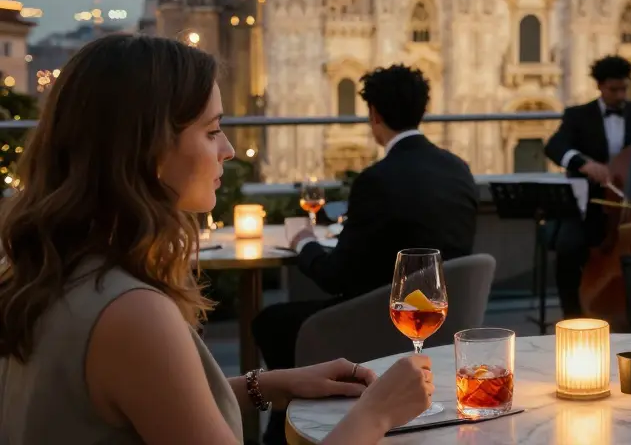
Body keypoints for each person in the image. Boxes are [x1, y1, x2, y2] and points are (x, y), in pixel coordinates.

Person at [0, 33, 434, 444]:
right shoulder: (130, 312)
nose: (227, 149)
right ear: (148, 150)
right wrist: (378, 412)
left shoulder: (53, 270)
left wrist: (268, 384)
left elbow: (144, 397)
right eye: (211, 131)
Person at [255, 64, 478, 441]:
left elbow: (337, 276)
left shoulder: (376, 179)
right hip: (445, 313)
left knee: (271, 321)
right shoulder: (458, 169)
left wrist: (304, 243)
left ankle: (284, 430)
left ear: (373, 114)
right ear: (422, 109)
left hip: (378, 320)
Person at [543, 55, 631, 318]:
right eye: (613, 89)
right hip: (590, 205)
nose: (620, 95)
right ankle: (572, 317)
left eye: (624, 89)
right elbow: (554, 146)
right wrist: (583, 163)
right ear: (600, 87)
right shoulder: (578, 115)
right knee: (568, 249)